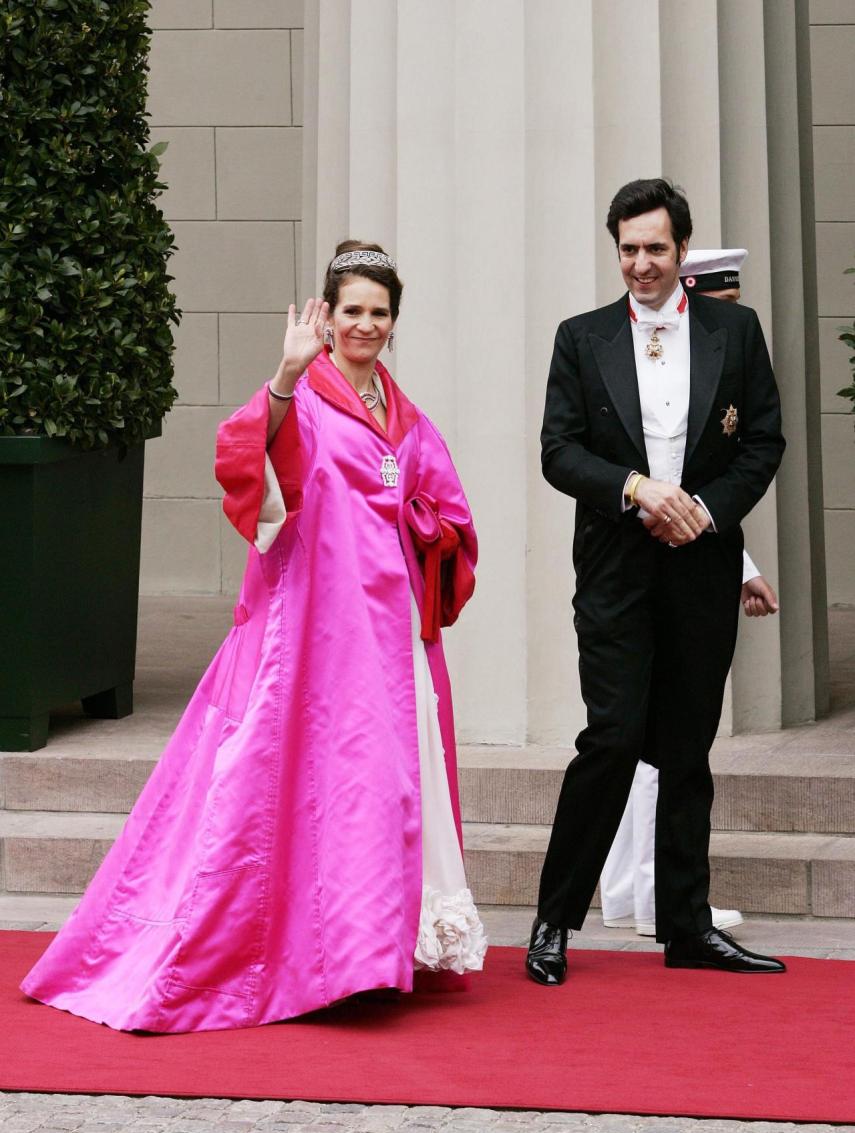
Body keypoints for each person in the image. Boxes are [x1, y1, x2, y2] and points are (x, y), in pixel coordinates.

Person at [21, 241, 487, 1032]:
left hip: (393, 642)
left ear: (393, 323)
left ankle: (372, 950)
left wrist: (423, 523)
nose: (365, 325)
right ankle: (319, 953)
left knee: (389, 787)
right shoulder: (303, 400)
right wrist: (282, 375)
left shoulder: (410, 421)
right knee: (316, 784)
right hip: (313, 635)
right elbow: (244, 458)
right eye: (351, 313)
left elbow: (451, 515)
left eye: (379, 313)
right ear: (326, 319)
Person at [527, 180, 787, 985]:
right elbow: (558, 451)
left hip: (700, 563)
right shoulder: (582, 337)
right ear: (617, 252)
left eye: (655, 248)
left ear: (682, 251)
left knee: (686, 750)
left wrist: (702, 511)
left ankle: (686, 927)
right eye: (628, 249)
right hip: (615, 568)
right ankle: (551, 921)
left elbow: (763, 443)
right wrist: (639, 490)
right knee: (609, 738)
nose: (641, 263)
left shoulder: (733, 331)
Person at [599, 248, 780, 938]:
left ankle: (627, 889)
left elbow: (705, 496)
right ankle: (654, 895)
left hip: (690, 560)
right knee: (653, 741)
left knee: (653, 739)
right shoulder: (647, 369)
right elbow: (664, 486)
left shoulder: (717, 352)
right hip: (636, 571)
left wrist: (740, 568)